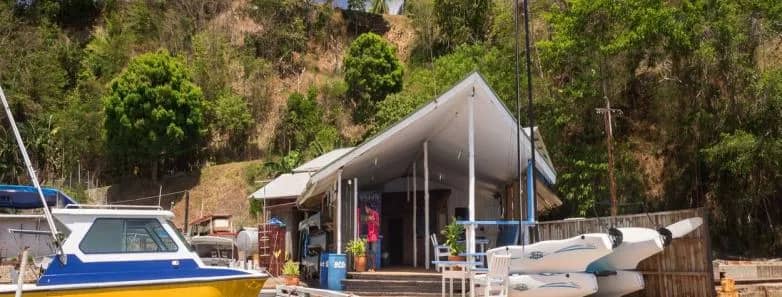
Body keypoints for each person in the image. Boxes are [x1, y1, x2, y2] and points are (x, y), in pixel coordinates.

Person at [364, 205, 379, 272]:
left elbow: (378, 224)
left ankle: (374, 268)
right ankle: (369, 267)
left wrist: (373, 220)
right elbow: (366, 223)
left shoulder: (375, 214)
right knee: (368, 252)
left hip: (374, 236)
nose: (365, 210)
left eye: (366, 209)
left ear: (369, 208)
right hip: (369, 236)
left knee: (373, 252)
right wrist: (367, 219)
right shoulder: (368, 216)